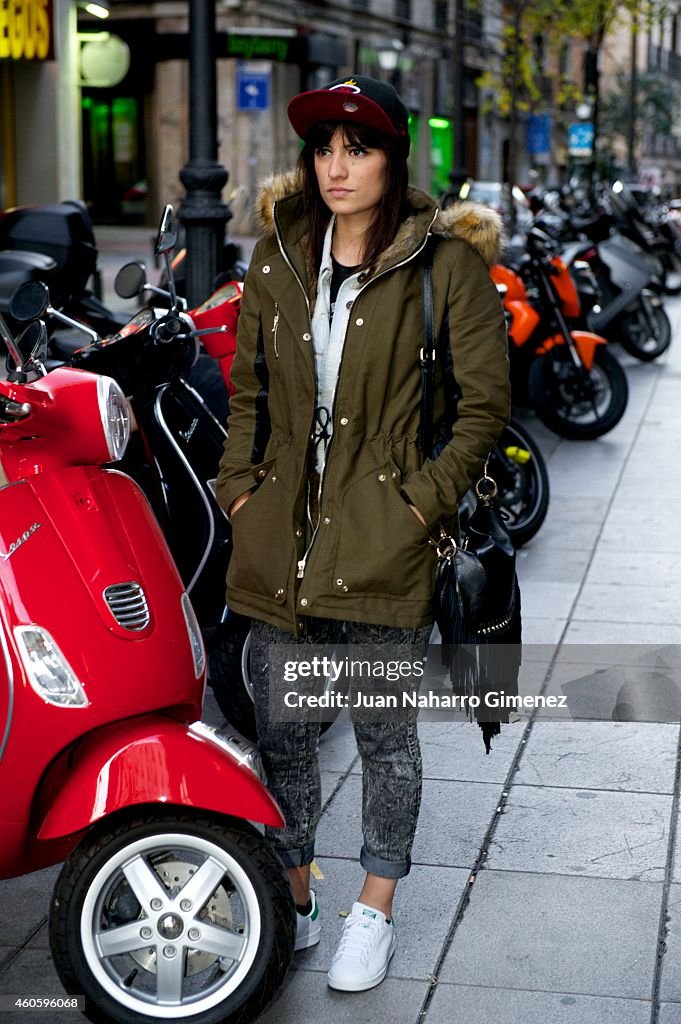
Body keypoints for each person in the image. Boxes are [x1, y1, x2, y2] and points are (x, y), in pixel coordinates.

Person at [216, 75, 510, 993]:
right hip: (281, 543)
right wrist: (238, 493)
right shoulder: (278, 258)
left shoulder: (443, 267)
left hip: (386, 544)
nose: (336, 167)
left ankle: (372, 911)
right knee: (284, 731)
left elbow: (482, 409)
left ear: (393, 159)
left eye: (359, 148)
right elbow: (251, 395)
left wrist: (418, 507)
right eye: (324, 148)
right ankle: (296, 893)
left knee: (385, 737)